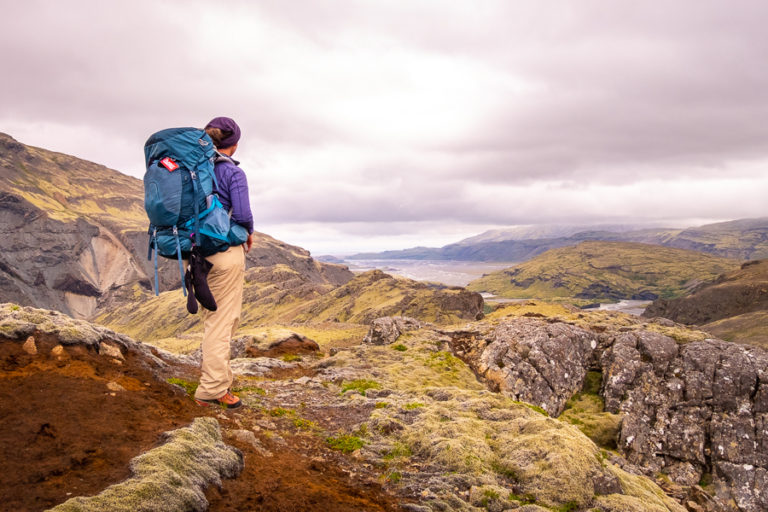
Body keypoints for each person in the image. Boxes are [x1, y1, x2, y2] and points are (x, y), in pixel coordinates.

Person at [193, 116, 254, 409]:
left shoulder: (193, 169)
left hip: (195, 252)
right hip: (224, 253)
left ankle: (219, 377)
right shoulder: (232, 174)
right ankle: (213, 389)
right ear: (234, 143)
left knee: (212, 320)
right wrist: (249, 233)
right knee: (221, 322)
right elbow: (241, 215)